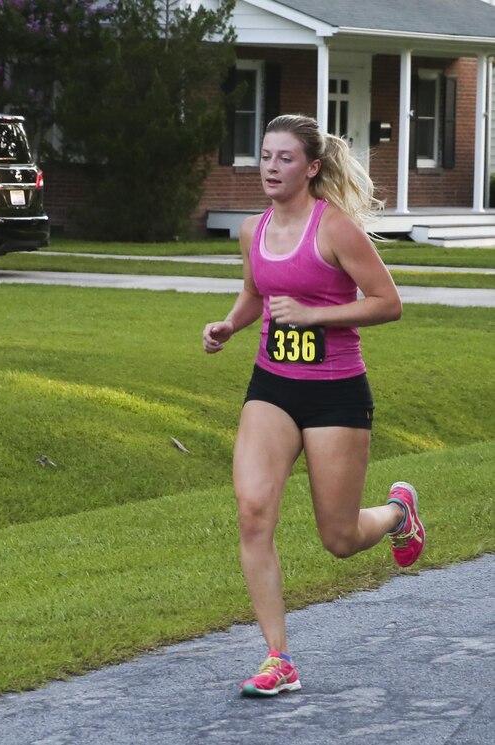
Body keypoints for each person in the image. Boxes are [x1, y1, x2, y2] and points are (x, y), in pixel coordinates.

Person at [202, 114, 425, 698]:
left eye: (284, 159)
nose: (270, 168)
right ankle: (278, 657)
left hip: (335, 391)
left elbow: (387, 303)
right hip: (273, 384)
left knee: (340, 539)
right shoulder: (253, 230)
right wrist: (229, 324)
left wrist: (315, 315)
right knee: (253, 512)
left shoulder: (336, 230)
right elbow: (256, 293)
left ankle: (399, 513)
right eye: (265, 157)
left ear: (312, 167)